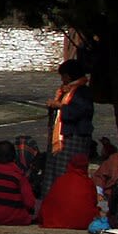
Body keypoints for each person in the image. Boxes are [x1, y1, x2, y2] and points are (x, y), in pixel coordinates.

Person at [41, 61, 95, 192]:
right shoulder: (65, 91)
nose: (62, 80)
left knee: (67, 170)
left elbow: (81, 111)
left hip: (73, 136)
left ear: (69, 76)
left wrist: (59, 106)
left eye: (63, 76)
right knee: (53, 169)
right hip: (61, 136)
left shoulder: (82, 92)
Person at [38, 153, 101, 228]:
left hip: (55, 221)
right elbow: (94, 202)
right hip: (83, 222)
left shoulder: (61, 180)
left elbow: (49, 201)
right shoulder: (88, 182)